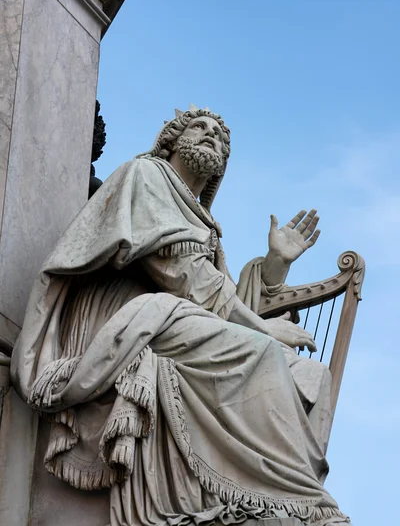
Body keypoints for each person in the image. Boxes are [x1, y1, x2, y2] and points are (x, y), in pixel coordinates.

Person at [11, 106, 350, 526]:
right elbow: (179, 272)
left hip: (174, 314)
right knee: (262, 353)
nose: (212, 136)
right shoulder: (147, 176)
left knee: (312, 377)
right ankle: (279, 494)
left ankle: (288, 497)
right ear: (172, 139)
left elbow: (222, 296)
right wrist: (262, 328)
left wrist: (275, 265)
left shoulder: (203, 221)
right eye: (200, 127)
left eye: (221, 138)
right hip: (126, 318)